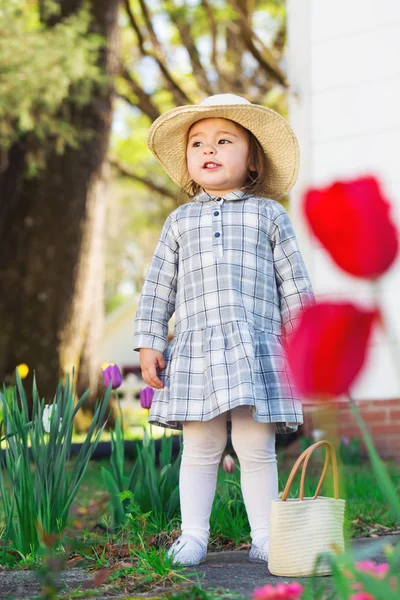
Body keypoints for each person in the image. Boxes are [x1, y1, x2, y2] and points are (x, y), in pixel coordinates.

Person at [133, 94, 315, 567]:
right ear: (189, 161)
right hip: (196, 350)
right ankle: (193, 535)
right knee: (200, 447)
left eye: (223, 140)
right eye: (197, 143)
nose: (208, 149)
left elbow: (294, 281)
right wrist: (151, 340)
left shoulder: (269, 215)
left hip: (255, 348)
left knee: (256, 447)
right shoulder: (180, 222)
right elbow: (159, 287)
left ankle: (265, 537)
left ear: (252, 160)